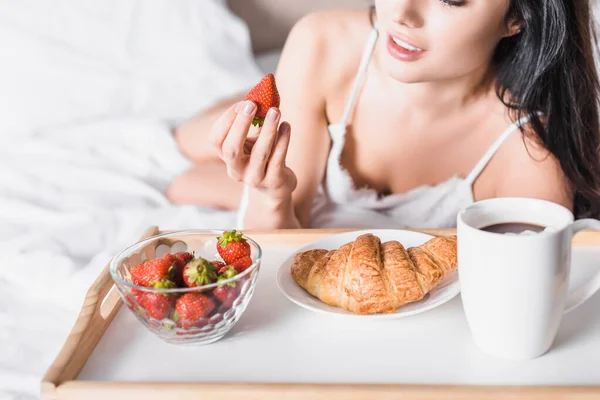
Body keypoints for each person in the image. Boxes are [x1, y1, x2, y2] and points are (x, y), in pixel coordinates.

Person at [168, 0, 600, 230]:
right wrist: (270, 193)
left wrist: (275, 194)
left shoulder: (529, 159)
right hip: (332, 77)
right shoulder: (323, 42)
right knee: (188, 143)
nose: (403, 14)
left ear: (517, 18)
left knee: (186, 186)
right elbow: (272, 241)